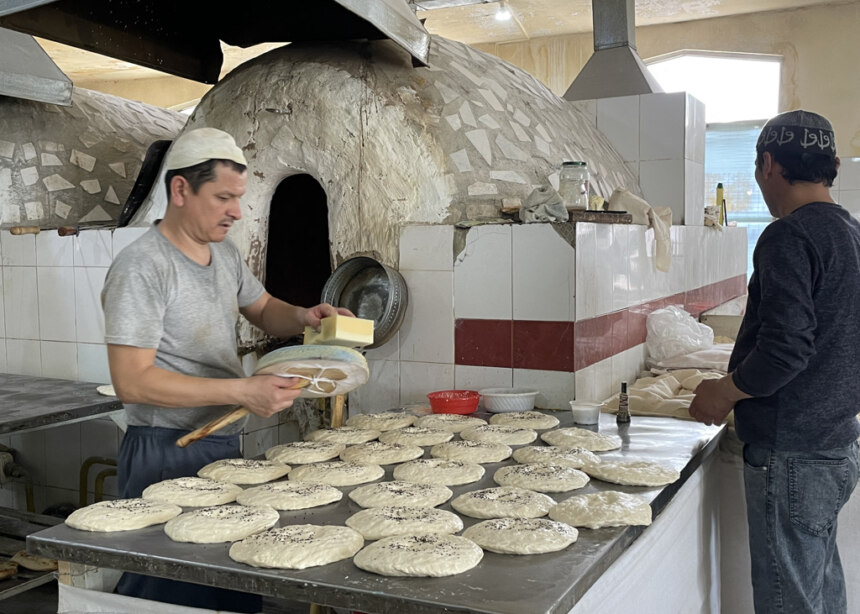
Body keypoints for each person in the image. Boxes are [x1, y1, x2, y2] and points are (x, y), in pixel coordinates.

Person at [101, 127, 351, 612]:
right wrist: (243, 390)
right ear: (180, 191)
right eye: (222, 198)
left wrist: (303, 316)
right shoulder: (143, 268)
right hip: (163, 450)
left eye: (239, 197)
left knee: (228, 587)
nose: (236, 211)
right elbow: (131, 381)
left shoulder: (224, 255)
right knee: (170, 593)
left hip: (219, 444)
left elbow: (262, 308)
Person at [688, 110, 860, 614]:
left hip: (793, 452)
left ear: (768, 164)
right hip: (835, 442)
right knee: (820, 585)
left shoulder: (788, 236)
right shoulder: (849, 233)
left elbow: (787, 347)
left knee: (789, 601)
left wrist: (725, 390)